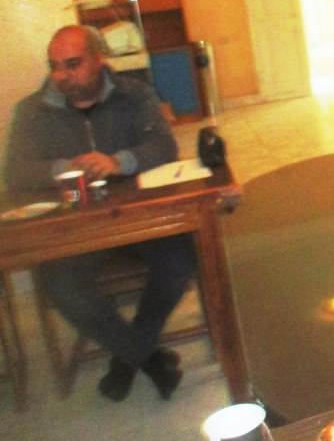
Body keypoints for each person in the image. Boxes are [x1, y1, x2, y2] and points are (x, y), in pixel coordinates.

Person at [4, 25, 194, 402]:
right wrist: (63, 168)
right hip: (75, 227)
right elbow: (15, 172)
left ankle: (127, 357)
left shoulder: (135, 94)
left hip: (139, 218)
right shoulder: (31, 111)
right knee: (62, 286)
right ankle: (147, 358)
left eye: (73, 64)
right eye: (55, 66)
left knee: (179, 261)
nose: (62, 75)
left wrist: (119, 161)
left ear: (99, 59)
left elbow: (163, 146)